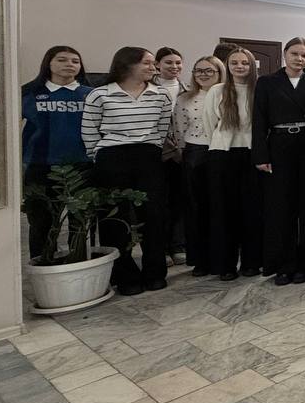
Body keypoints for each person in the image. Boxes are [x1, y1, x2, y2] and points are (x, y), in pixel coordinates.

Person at [81, 47, 173, 295]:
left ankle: (155, 272)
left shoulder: (161, 94)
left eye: (153, 63)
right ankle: (124, 275)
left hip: (148, 156)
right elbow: (89, 130)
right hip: (111, 157)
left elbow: (162, 127)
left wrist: (150, 148)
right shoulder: (100, 94)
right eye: (147, 63)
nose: (153, 67)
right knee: (114, 218)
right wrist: (98, 156)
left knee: (154, 216)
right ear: (127, 64)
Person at [252, 37, 305, 285]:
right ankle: (284, 263)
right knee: (281, 206)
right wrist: (261, 154)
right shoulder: (267, 82)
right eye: (295, 54)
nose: (299, 59)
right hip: (280, 145)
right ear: (285, 54)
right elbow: (259, 120)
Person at [22, 46, 92, 259]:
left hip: (82, 165)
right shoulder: (29, 92)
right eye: (62, 60)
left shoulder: (90, 94)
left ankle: (78, 263)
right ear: (48, 63)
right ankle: (42, 264)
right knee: (41, 222)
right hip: (40, 165)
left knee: (80, 222)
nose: (69, 64)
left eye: (75, 61)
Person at [203, 47, 263, 280]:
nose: (240, 67)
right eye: (235, 63)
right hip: (222, 154)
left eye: (245, 63)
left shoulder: (259, 89)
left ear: (252, 66)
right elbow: (210, 124)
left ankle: (251, 262)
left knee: (252, 210)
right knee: (223, 211)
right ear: (227, 66)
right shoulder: (217, 90)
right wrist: (220, 144)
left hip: (252, 154)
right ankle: (225, 264)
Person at [170, 56, 222, 276]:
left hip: (222, 153)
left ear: (219, 72)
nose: (203, 74)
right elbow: (179, 129)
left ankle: (221, 257)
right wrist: (184, 153)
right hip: (195, 153)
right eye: (199, 70)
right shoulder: (185, 98)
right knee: (196, 208)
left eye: (209, 70)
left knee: (220, 207)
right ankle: (200, 259)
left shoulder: (228, 94)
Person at [154, 47, 187, 261]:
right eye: (168, 62)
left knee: (180, 200)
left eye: (178, 62)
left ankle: (178, 245)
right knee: (159, 202)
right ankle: (161, 248)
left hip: (183, 153)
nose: (174, 67)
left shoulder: (188, 90)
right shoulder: (149, 88)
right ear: (157, 65)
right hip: (158, 153)